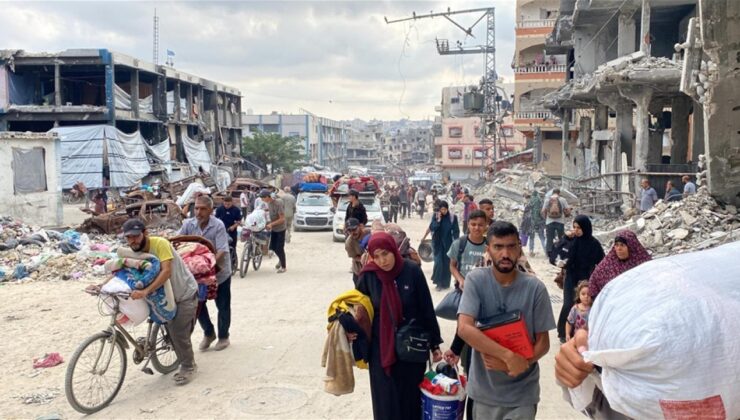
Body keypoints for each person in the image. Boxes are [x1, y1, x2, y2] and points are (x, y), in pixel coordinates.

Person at [457, 221, 556, 419]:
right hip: (484, 394)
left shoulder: (535, 289)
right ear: (488, 250)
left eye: (511, 246)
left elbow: (543, 343)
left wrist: (522, 363)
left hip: (522, 396)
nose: (505, 254)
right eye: (498, 247)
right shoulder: (476, 280)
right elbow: (464, 329)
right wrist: (509, 358)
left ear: (520, 248)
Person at [355, 232, 443, 420]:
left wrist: (434, 344)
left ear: (394, 251)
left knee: (410, 399)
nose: (382, 260)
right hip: (381, 348)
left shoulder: (412, 271)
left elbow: (425, 307)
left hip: (411, 345)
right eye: (376, 256)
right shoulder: (368, 276)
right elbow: (360, 312)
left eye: (385, 254)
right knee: (385, 399)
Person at [121, 219, 199, 385]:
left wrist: (145, 291)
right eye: (128, 237)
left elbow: (166, 271)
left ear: (145, 233)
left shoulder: (160, 244)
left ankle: (188, 366)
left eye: (135, 236)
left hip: (183, 292)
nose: (132, 241)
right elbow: (121, 268)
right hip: (163, 294)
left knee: (178, 331)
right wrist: (102, 285)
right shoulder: (131, 251)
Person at [443, 209, 489, 419]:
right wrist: (461, 279)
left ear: (486, 225)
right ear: (468, 225)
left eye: (481, 225)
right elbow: (452, 265)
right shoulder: (459, 244)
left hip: (486, 300)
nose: (477, 228)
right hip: (465, 296)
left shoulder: (491, 245)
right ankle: (464, 362)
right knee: (464, 329)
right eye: (473, 224)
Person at [179, 195, 233, 351]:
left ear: (210, 210)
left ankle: (223, 337)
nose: (198, 212)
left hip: (219, 272)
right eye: (196, 208)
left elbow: (222, 249)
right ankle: (209, 333)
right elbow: (178, 241)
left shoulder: (218, 225)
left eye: (203, 209)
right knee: (198, 305)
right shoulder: (188, 224)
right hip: (196, 276)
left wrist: (209, 267)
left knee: (222, 305)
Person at [557, 215, 604, 343]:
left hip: (585, 280)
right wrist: (565, 238)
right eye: (574, 227)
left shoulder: (594, 244)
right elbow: (555, 253)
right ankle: (563, 332)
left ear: (586, 228)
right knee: (568, 304)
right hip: (571, 277)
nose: (576, 230)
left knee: (584, 305)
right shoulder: (572, 241)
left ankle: (583, 333)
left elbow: (602, 262)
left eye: (579, 227)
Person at [588, 230, 651, 300]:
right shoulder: (608, 264)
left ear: (631, 247)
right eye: (616, 245)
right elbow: (593, 282)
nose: (619, 249)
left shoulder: (643, 261)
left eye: (622, 245)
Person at [421, 201, 459, 291]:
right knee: (438, 262)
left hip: (448, 243)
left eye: (445, 209)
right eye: (442, 209)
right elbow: (432, 227)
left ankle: (445, 283)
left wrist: (456, 242)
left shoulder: (452, 217)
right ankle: (438, 283)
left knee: (446, 263)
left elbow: (456, 230)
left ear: (447, 208)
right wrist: (438, 221)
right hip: (437, 243)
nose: (443, 211)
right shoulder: (436, 216)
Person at [260, 189, 287, 273]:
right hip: (274, 228)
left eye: (263, 198)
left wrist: (271, 224)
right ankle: (280, 260)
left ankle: (283, 267)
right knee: (273, 247)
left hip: (280, 229)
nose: (262, 199)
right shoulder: (269, 203)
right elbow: (271, 211)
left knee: (279, 248)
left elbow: (282, 219)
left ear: (268, 197)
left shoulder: (278, 203)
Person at [541, 188, 570, 259]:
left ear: (552, 193)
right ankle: (562, 253)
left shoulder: (547, 199)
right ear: (559, 193)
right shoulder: (562, 199)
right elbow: (567, 210)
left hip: (549, 222)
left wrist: (546, 219)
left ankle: (549, 254)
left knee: (549, 238)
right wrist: (567, 215)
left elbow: (543, 211)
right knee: (561, 238)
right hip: (560, 222)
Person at [345, 218, 371, 286]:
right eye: (349, 231)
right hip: (359, 272)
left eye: (354, 229)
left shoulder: (370, 233)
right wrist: (365, 259)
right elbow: (354, 257)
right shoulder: (349, 243)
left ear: (360, 226)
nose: (352, 233)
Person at [525, 191, 546, 257]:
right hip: (540, 222)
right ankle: (546, 252)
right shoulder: (541, 201)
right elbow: (543, 211)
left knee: (531, 237)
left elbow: (526, 212)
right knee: (542, 237)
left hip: (531, 222)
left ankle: (531, 251)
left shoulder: (530, 201)